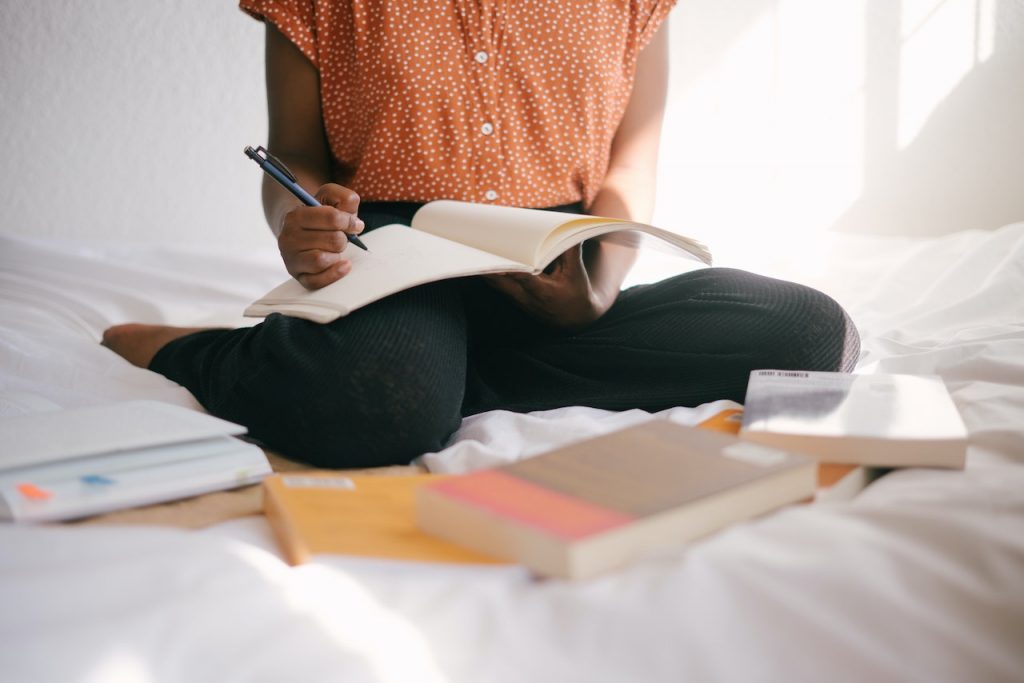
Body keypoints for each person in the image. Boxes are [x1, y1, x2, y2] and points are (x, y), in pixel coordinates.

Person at [103, 0, 860, 468]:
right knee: (378, 411)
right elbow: (292, 155)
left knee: (809, 333)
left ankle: (435, 373)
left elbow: (631, 163)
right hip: (399, 248)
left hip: (563, 257)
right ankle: (195, 350)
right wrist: (292, 221)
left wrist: (599, 287)